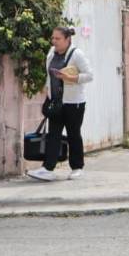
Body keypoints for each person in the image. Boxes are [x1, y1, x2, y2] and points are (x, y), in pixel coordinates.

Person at [28, 26, 94, 182]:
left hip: (74, 103)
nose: (54, 41)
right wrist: (47, 92)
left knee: (73, 134)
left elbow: (89, 75)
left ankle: (77, 168)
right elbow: (48, 75)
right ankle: (48, 168)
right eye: (53, 38)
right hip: (56, 102)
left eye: (57, 39)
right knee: (53, 135)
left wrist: (72, 78)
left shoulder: (76, 54)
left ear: (67, 39)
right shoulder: (51, 53)